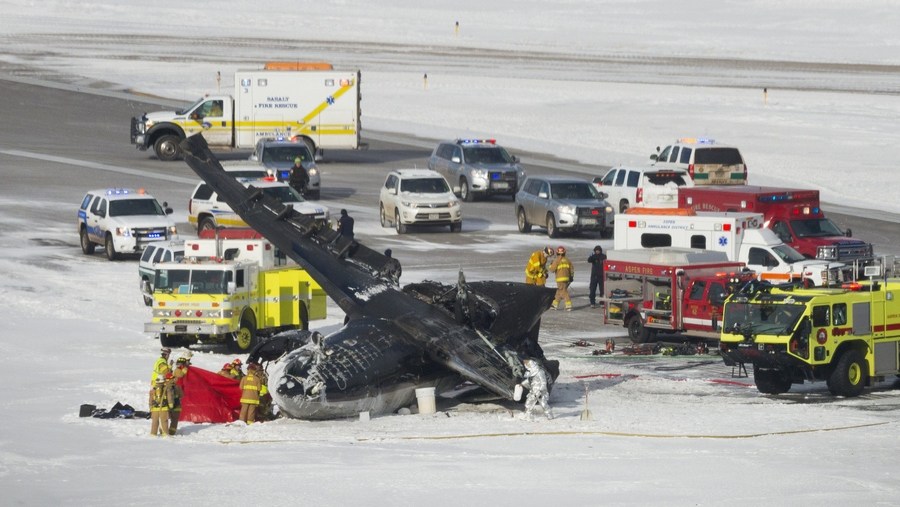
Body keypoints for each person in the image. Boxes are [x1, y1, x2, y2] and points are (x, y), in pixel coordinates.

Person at [169, 356, 190, 435]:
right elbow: (181, 375)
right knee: (174, 415)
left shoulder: (177, 370)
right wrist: (185, 369)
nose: (179, 365)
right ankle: (171, 431)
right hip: (176, 392)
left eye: (181, 364)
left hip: (177, 391)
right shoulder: (178, 371)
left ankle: (170, 430)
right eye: (179, 363)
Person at [549, 246, 574, 311]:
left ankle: (568, 305)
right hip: (566, 279)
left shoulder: (556, 260)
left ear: (557, 253)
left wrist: (550, 264)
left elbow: (552, 270)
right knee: (559, 292)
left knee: (563, 292)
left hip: (560, 279)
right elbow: (571, 269)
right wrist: (571, 277)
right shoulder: (567, 260)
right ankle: (554, 305)